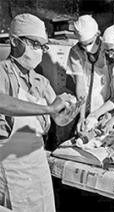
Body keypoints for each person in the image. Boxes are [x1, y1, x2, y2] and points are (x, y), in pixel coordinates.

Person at [0, 13, 77, 212]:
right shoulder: (2, 72)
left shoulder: (40, 81)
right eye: (35, 44)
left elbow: (56, 116)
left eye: (43, 46)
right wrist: (48, 108)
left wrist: (66, 114)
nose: (40, 51)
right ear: (14, 41)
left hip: (37, 162)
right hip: (10, 165)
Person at [67, 14, 110, 132]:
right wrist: (81, 117)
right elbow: (80, 85)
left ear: (97, 34)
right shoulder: (75, 52)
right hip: (85, 106)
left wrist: (109, 112)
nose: (86, 48)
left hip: (106, 105)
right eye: (82, 44)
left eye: (89, 43)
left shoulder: (108, 49)